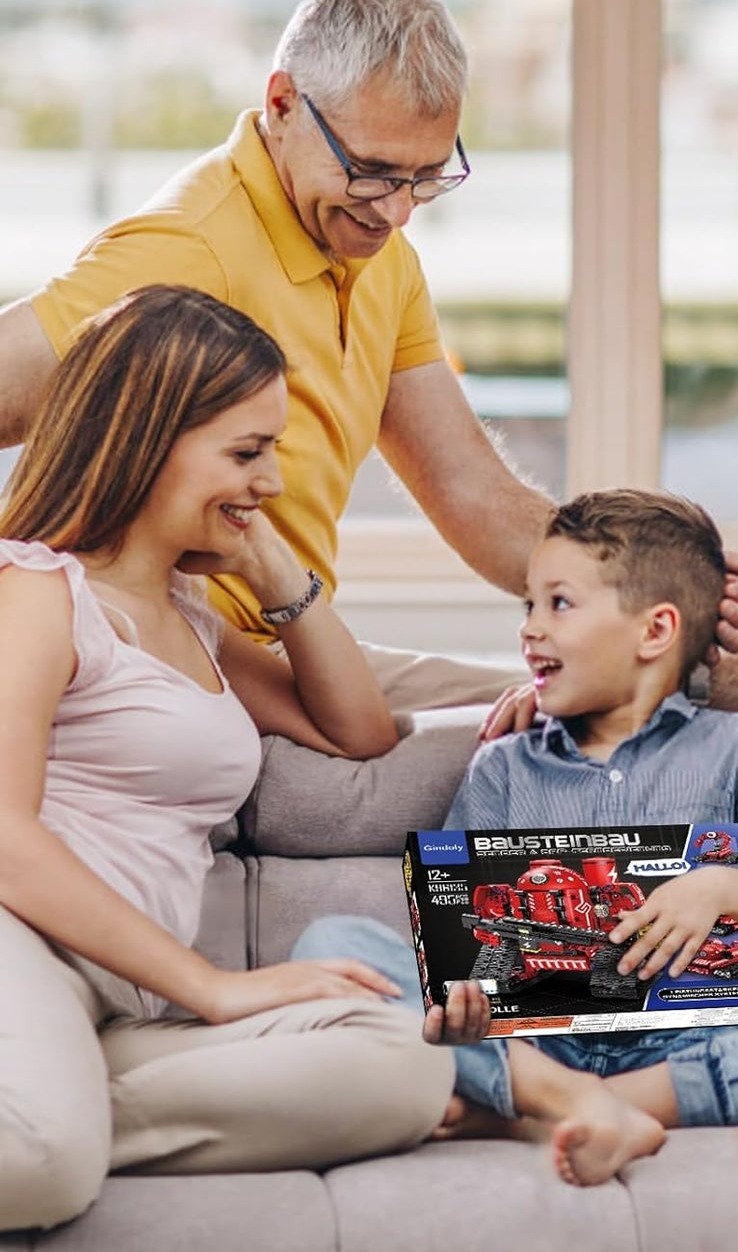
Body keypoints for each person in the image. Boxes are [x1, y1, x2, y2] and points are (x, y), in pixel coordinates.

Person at [0, 0, 738, 713]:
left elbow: (468, 487)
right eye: (371, 170)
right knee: (569, 727)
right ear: (283, 103)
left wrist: (637, 580)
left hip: (290, 638)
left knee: (638, 697)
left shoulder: (380, 257)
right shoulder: (186, 248)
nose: (396, 211)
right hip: (189, 666)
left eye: (427, 176)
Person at [0, 287, 454, 1234]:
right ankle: (50, 1123)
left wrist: (275, 573)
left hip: (115, 1005)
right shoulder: (38, 591)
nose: (271, 481)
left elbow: (356, 731)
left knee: (401, 1065)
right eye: (246, 453)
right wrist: (206, 984)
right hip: (24, 950)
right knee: (45, 1163)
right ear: (149, 436)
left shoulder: (190, 619)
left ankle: (58, 1107)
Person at [295, 489, 738, 1186]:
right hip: (536, 1045)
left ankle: (540, 1115)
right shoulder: (503, 764)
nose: (530, 629)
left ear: (654, 630)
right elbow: (459, 940)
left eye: (559, 603)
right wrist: (462, 999)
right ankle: (567, 1099)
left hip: (697, 1041)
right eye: (528, 604)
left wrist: (719, 886)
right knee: (331, 945)